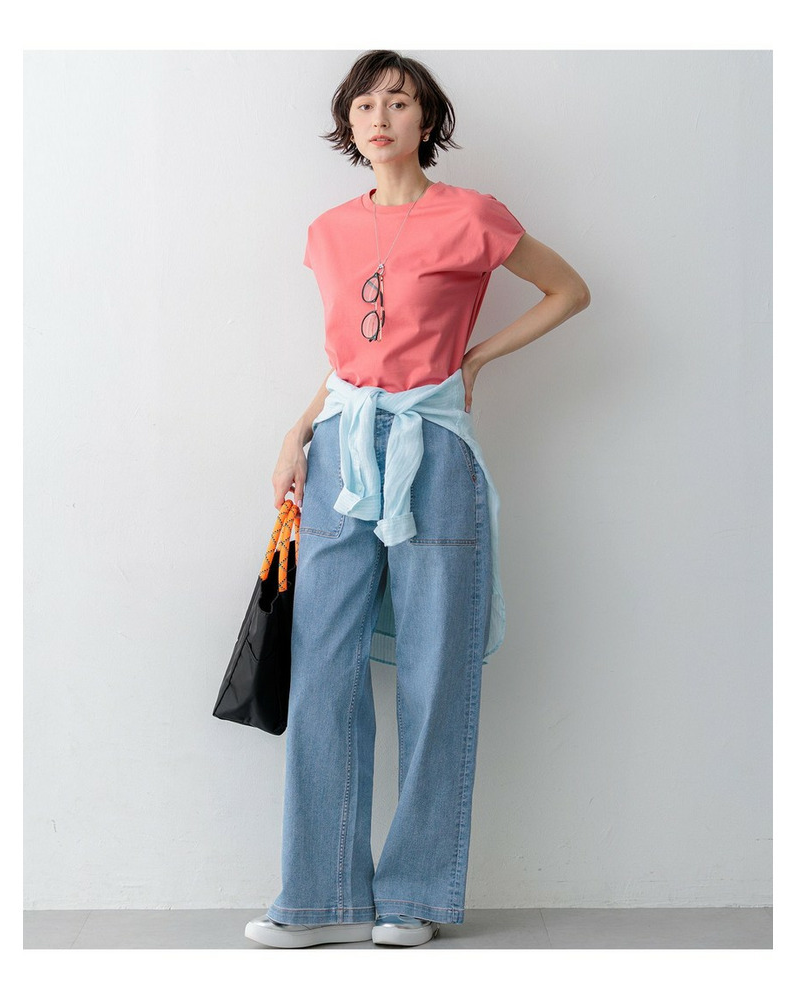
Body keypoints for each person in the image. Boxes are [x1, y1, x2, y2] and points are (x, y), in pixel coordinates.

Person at [245, 50, 590, 949]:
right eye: (364, 104)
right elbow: (347, 359)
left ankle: (416, 896)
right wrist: (295, 434)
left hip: (433, 451)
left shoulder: (473, 216)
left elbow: (570, 290)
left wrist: (477, 359)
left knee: (436, 673)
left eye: (398, 102)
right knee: (323, 669)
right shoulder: (327, 230)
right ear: (348, 123)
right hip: (339, 450)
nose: (380, 117)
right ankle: (319, 899)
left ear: (426, 119)